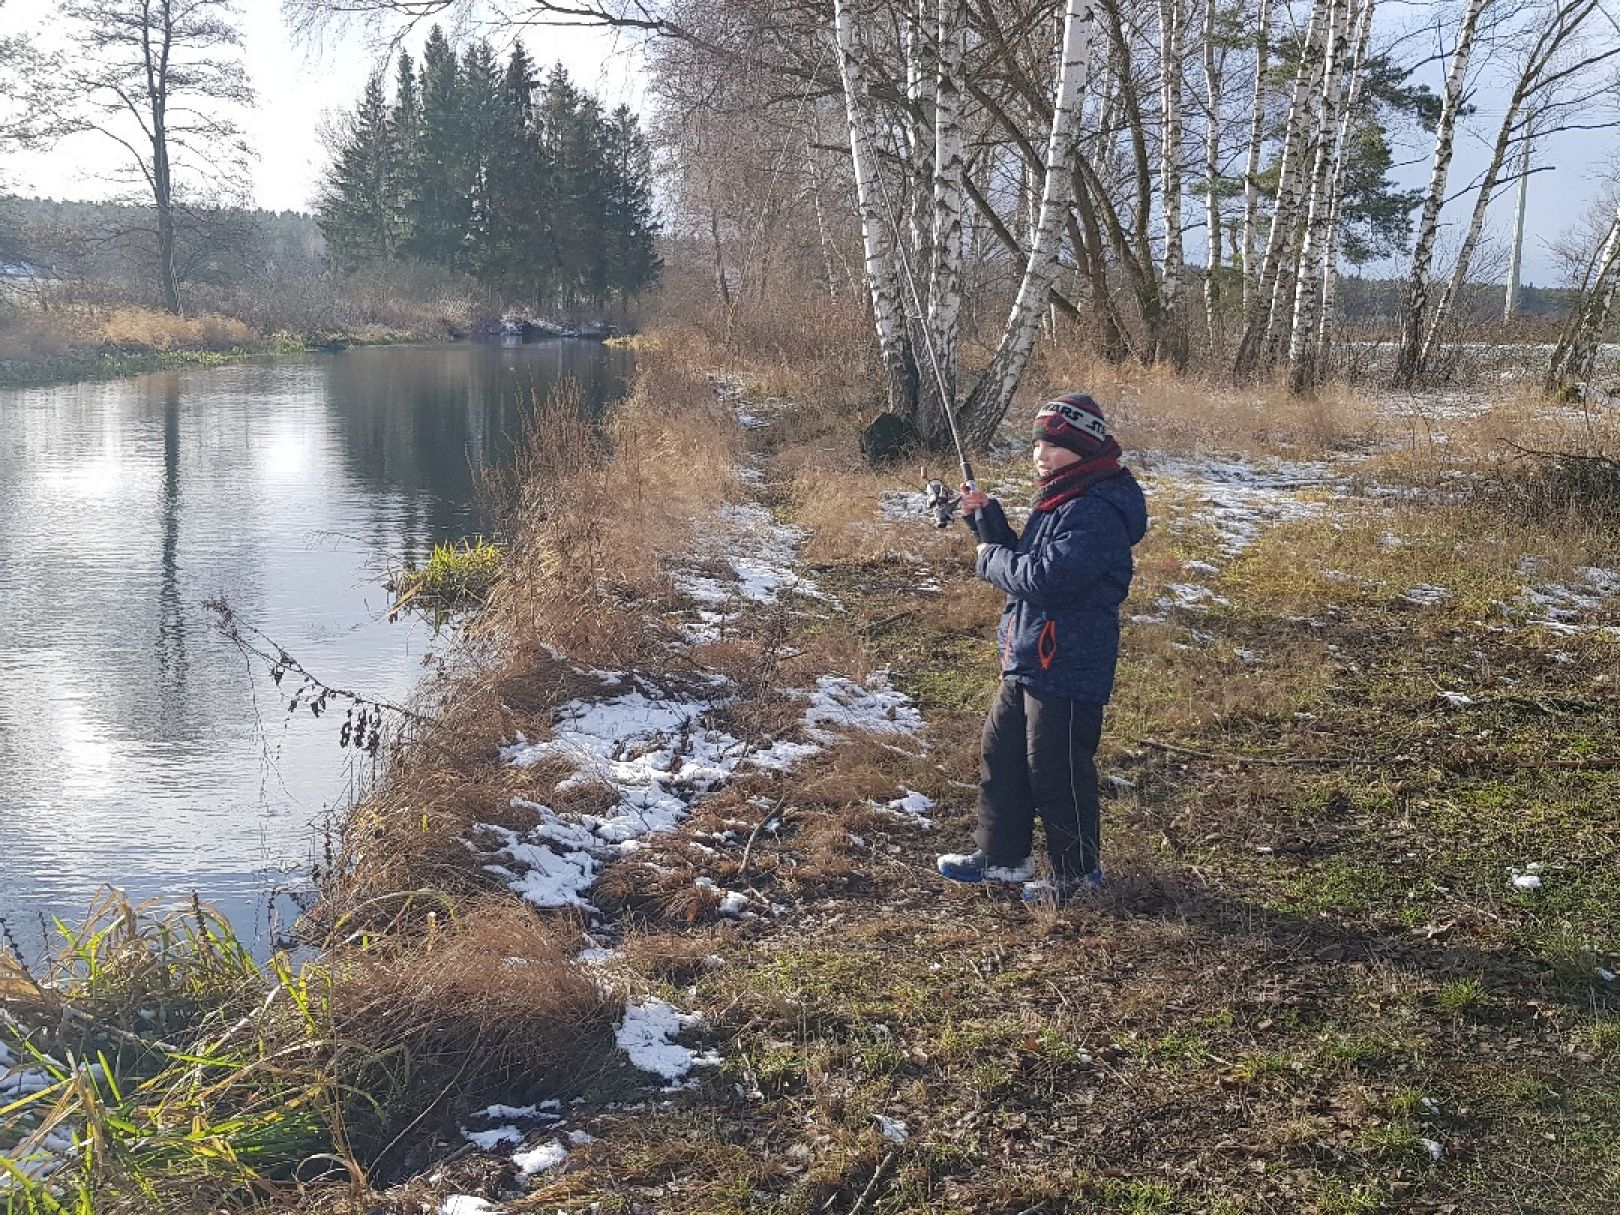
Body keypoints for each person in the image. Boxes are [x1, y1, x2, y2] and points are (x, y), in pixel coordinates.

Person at [935, 392, 1148, 905]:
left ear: (1082, 448)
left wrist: (988, 558)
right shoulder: (1065, 496)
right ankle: (1003, 857)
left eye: (1053, 445)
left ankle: (1077, 877)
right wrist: (988, 522)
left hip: (1069, 660)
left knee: (1058, 770)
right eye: (1037, 444)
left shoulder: (1097, 508)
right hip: (1029, 653)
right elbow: (1031, 558)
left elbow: (1047, 577)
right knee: (1002, 754)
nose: (1041, 455)